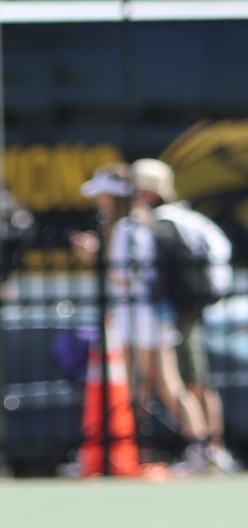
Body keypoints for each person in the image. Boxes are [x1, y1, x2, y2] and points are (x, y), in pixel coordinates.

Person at [70, 163, 218, 474]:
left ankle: (190, 449)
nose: (99, 202)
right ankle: (133, 450)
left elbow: (131, 278)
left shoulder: (129, 227)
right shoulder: (135, 224)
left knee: (153, 387)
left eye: (104, 195)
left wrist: (96, 258)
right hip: (145, 317)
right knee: (153, 388)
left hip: (141, 318)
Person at [133, 158, 237, 473]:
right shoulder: (187, 217)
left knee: (188, 381)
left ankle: (207, 450)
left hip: (177, 311)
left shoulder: (162, 222)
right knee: (197, 380)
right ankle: (212, 449)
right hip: (191, 307)